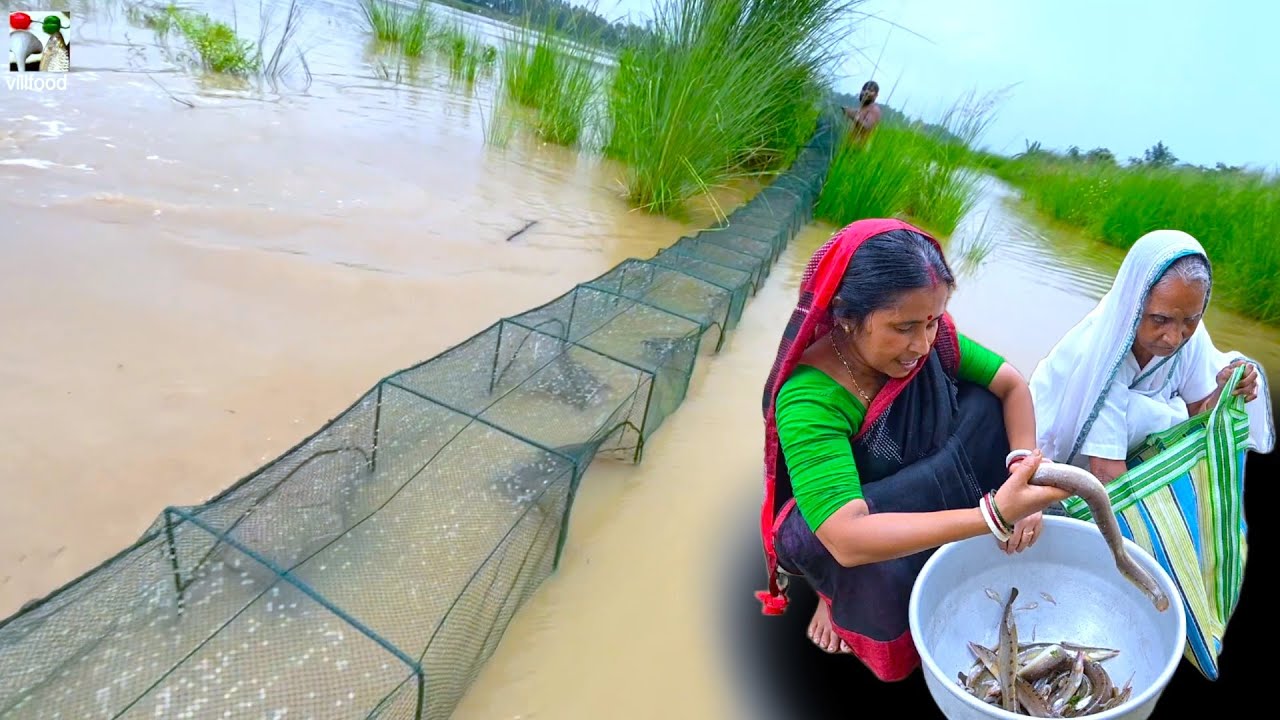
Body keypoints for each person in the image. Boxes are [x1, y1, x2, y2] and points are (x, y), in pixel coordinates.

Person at [754, 218, 1072, 682]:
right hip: (861, 521)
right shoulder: (810, 399)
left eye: (932, 321)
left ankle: (962, 547)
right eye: (903, 327)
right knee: (818, 535)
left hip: (928, 479)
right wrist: (994, 516)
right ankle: (833, 599)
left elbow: (1011, 384)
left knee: (982, 403)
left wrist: (1023, 468)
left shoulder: (933, 339)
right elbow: (845, 536)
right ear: (845, 314)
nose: (921, 345)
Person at [1029, 229, 1275, 483]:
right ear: (1135, 304)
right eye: (1159, 319)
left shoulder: (1190, 333)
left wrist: (1223, 390)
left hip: (1133, 458)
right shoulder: (1102, 352)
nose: (1175, 337)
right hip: (1068, 466)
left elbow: (1199, 421)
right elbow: (1107, 473)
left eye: (1191, 320)